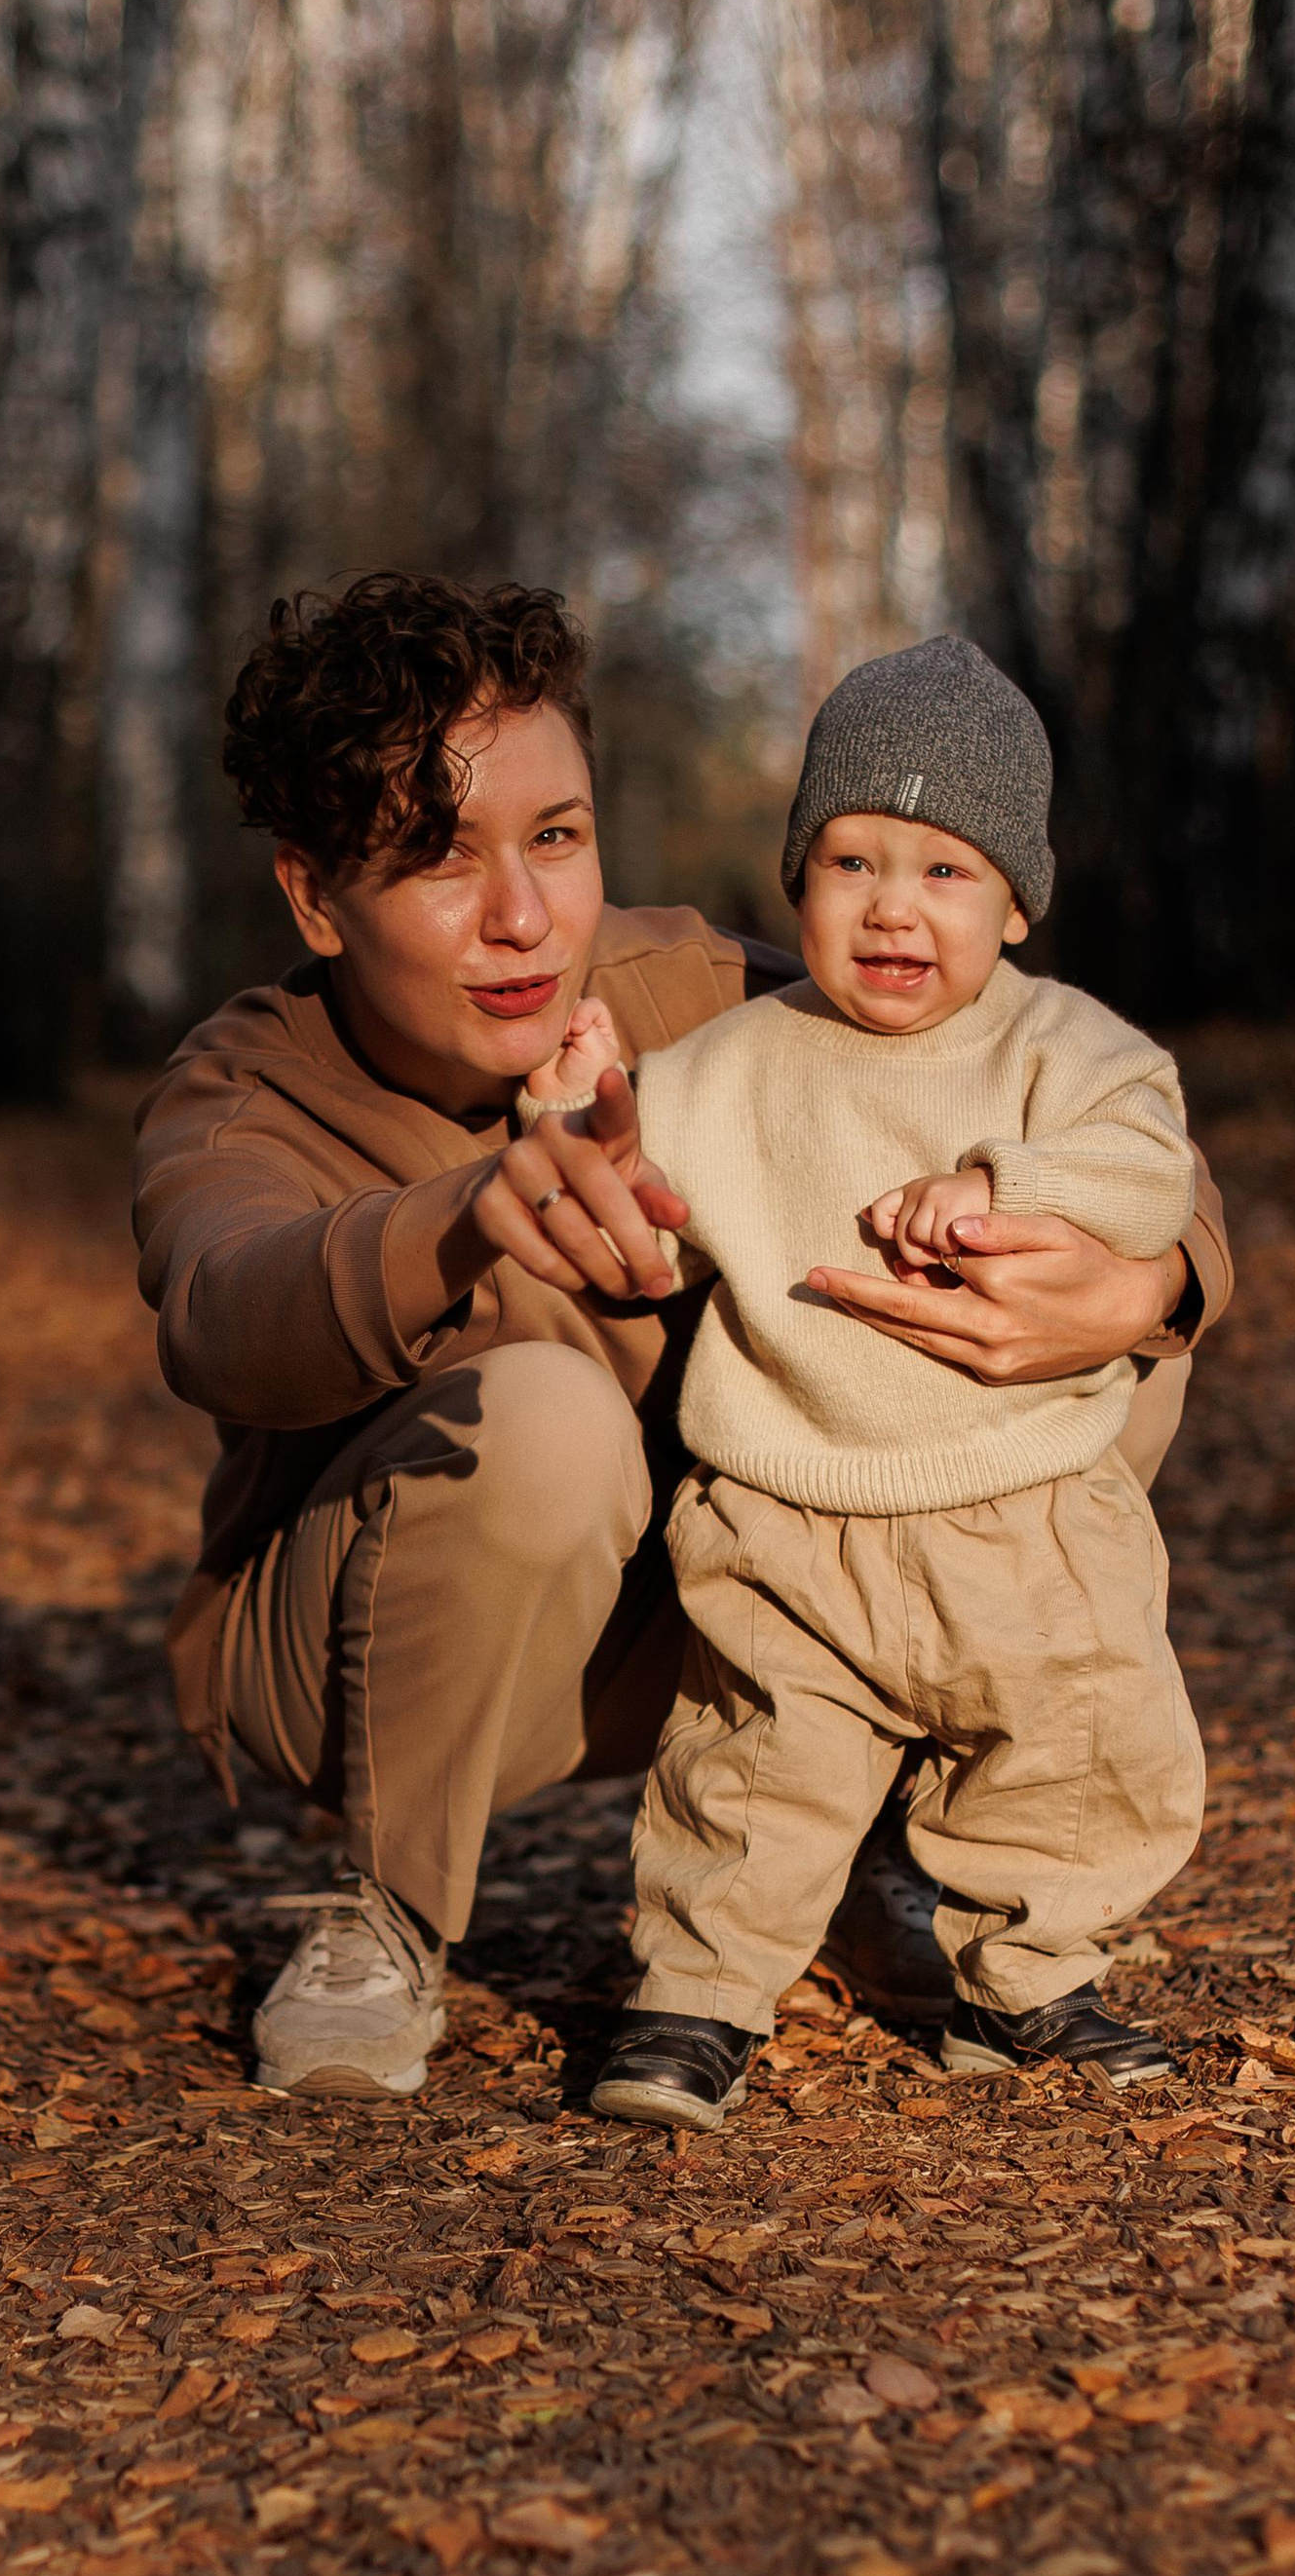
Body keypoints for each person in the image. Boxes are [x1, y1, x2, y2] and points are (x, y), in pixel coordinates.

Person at [131, 573, 1233, 2101]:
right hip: (355, 1656)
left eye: (557, 838)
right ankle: (386, 1908)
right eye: (440, 857)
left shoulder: (699, 994)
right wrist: (469, 1215)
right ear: (316, 897)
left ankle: (875, 1834)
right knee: (542, 1417)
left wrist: (1155, 1284)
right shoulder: (246, 1091)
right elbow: (223, 1311)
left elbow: (1044, 1068)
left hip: (727, 1594)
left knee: (1083, 1344)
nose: (524, 919)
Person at [525, 636, 1202, 2130]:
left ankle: (1026, 1985)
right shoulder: (732, 1065)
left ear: (1015, 902)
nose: (893, 905)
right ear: (801, 883)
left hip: (1030, 1513)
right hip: (787, 1516)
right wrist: (580, 1106)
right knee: (750, 1770)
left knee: (1075, 1753)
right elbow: (639, 1216)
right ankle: (695, 2004)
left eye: (944, 870)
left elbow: (1150, 1172)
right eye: (851, 862)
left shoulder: (1069, 1050)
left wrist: (1006, 1182)